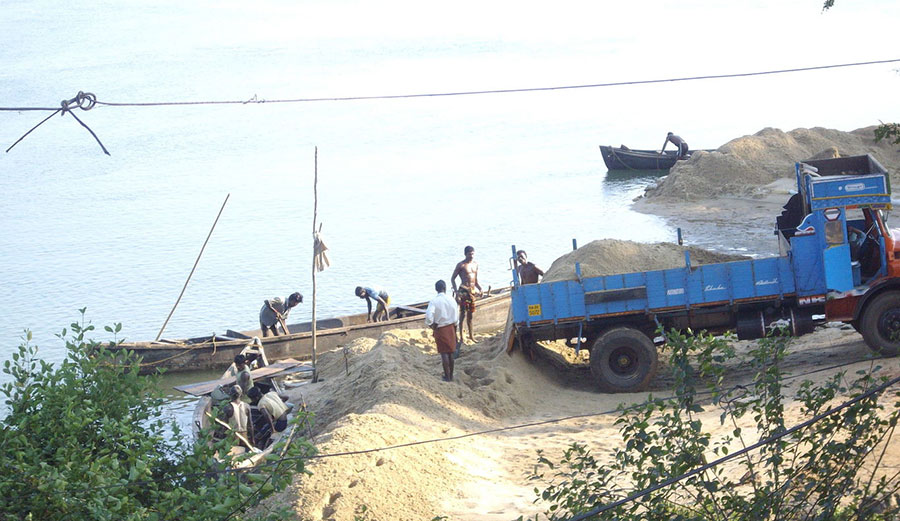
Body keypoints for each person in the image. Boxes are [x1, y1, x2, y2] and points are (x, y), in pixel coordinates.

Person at [425, 279, 459, 382]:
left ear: (436, 289)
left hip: (440, 328)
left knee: (444, 353)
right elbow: (456, 314)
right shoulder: (451, 299)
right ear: (445, 288)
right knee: (451, 352)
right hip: (451, 327)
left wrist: (431, 325)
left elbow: (428, 315)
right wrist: (455, 326)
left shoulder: (434, 301)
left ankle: (447, 377)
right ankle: (451, 376)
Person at [451, 245, 482, 346]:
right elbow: (453, 279)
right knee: (463, 314)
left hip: (472, 292)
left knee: (471, 315)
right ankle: (461, 337)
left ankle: (471, 336)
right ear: (465, 254)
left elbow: (475, 280)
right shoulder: (461, 265)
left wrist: (480, 288)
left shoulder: (475, 264)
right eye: (469, 254)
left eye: (473, 254)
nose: (471, 256)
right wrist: (457, 293)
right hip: (463, 291)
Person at [226, 385, 254, 450]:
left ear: (230, 394)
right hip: (244, 435)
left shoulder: (228, 408)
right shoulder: (247, 406)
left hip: (233, 436)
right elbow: (250, 425)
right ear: (241, 394)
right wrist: (252, 439)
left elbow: (224, 426)